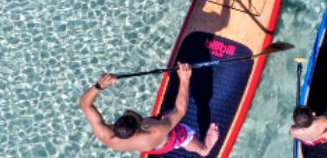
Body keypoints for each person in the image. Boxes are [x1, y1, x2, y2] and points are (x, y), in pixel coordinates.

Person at [79, 64, 221, 155]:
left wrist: (99, 86)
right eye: (136, 117)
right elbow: (181, 110)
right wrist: (184, 79)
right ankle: (203, 149)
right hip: (165, 141)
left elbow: (85, 104)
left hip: (149, 145)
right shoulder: (154, 132)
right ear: (140, 127)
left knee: (166, 118)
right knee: (183, 135)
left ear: (115, 125)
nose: (130, 111)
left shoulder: (107, 136)